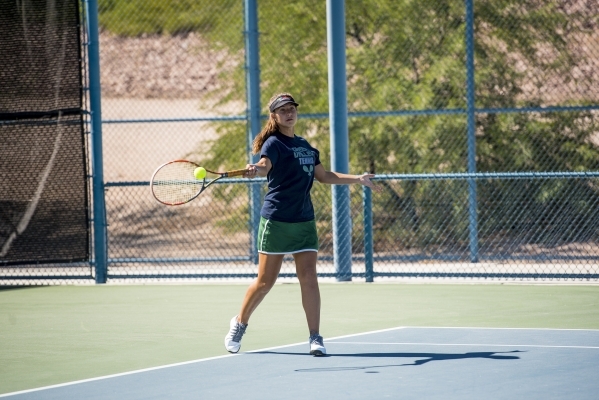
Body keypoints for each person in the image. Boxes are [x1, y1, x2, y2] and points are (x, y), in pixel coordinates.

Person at [224, 92, 381, 356]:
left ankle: (315, 337)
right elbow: (264, 166)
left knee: (309, 277)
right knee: (265, 282)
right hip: (275, 221)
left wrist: (357, 178)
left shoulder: (306, 146)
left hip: (304, 222)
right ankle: (239, 323)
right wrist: (256, 170)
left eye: (292, 108)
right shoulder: (273, 143)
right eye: (283, 110)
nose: (289, 113)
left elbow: (324, 175)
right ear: (274, 116)